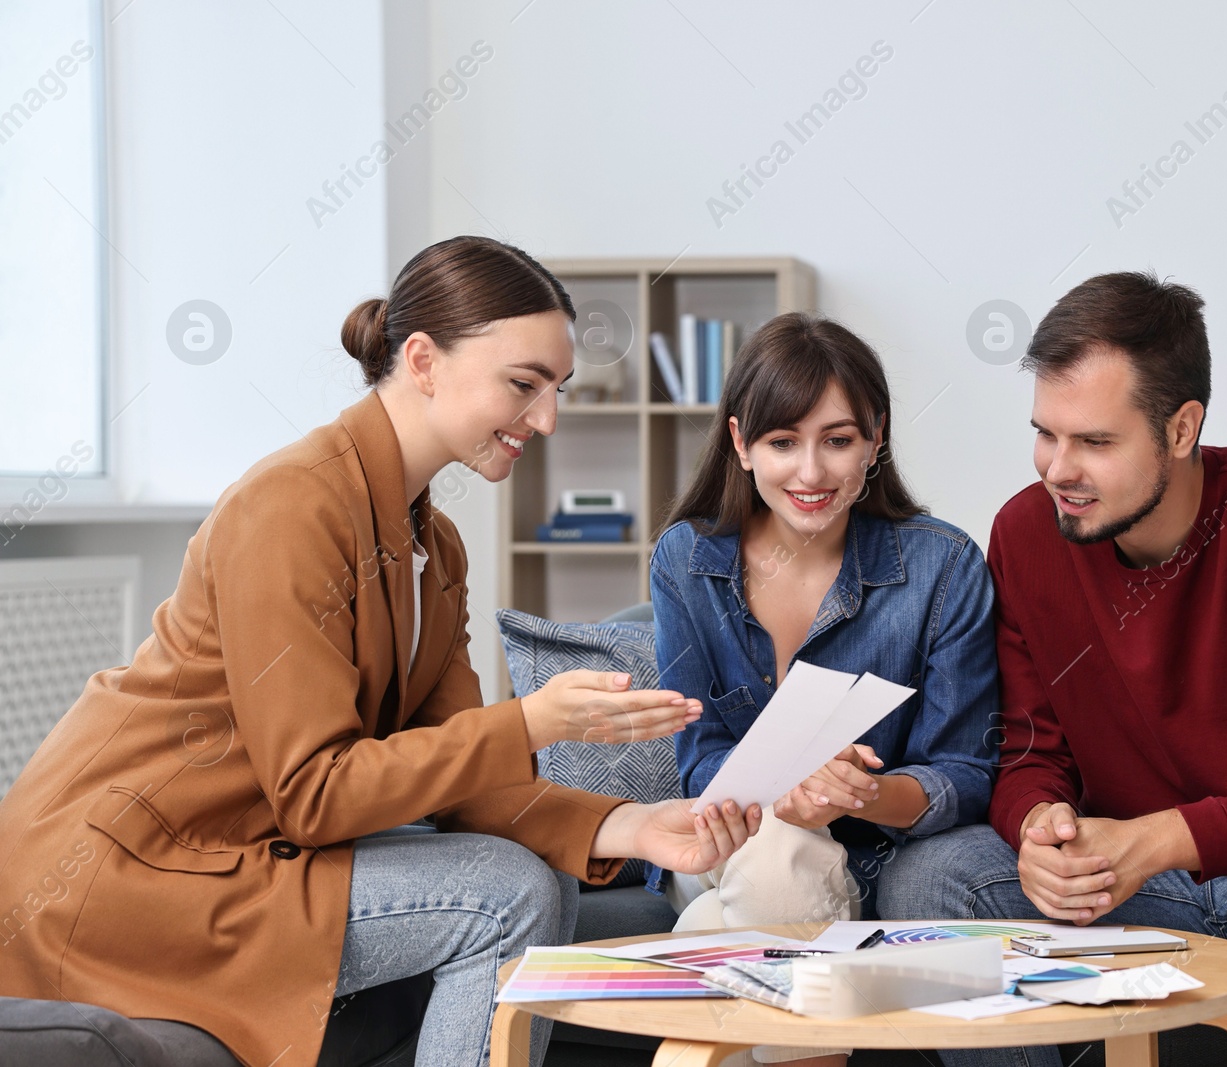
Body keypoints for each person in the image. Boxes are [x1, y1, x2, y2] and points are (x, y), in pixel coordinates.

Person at [0, 236, 761, 1067]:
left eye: (556, 390)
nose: (546, 418)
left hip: (240, 853)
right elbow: (315, 793)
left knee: (526, 878)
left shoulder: (433, 543)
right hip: (133, 874)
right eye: (523, 384)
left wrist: (639, 826)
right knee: (507, 892)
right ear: (424, 360)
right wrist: (532, 721)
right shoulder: (291, 506)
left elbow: (472, 785)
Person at [876, 272, 1227, 1067]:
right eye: (1047, 432)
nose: (1057, 468)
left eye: (1096, 442)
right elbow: (1029, 749)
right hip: (1129, 885)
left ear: (1182, 430)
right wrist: (1039, 824)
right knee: (931, 876)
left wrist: (1163, 837)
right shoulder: (1026, 535)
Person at [649, 312, 998, 1066]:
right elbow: (698, 753)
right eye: (782, 442)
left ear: (875, 439)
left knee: (741, 900)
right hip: (724, 840)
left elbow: (968, 772)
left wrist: (863, 797)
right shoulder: (686, 558)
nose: (811, 472)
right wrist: (778, 800)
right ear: (741, 443)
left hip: (863, 857)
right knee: (774, 848)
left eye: (838, 440)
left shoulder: (945, 567)